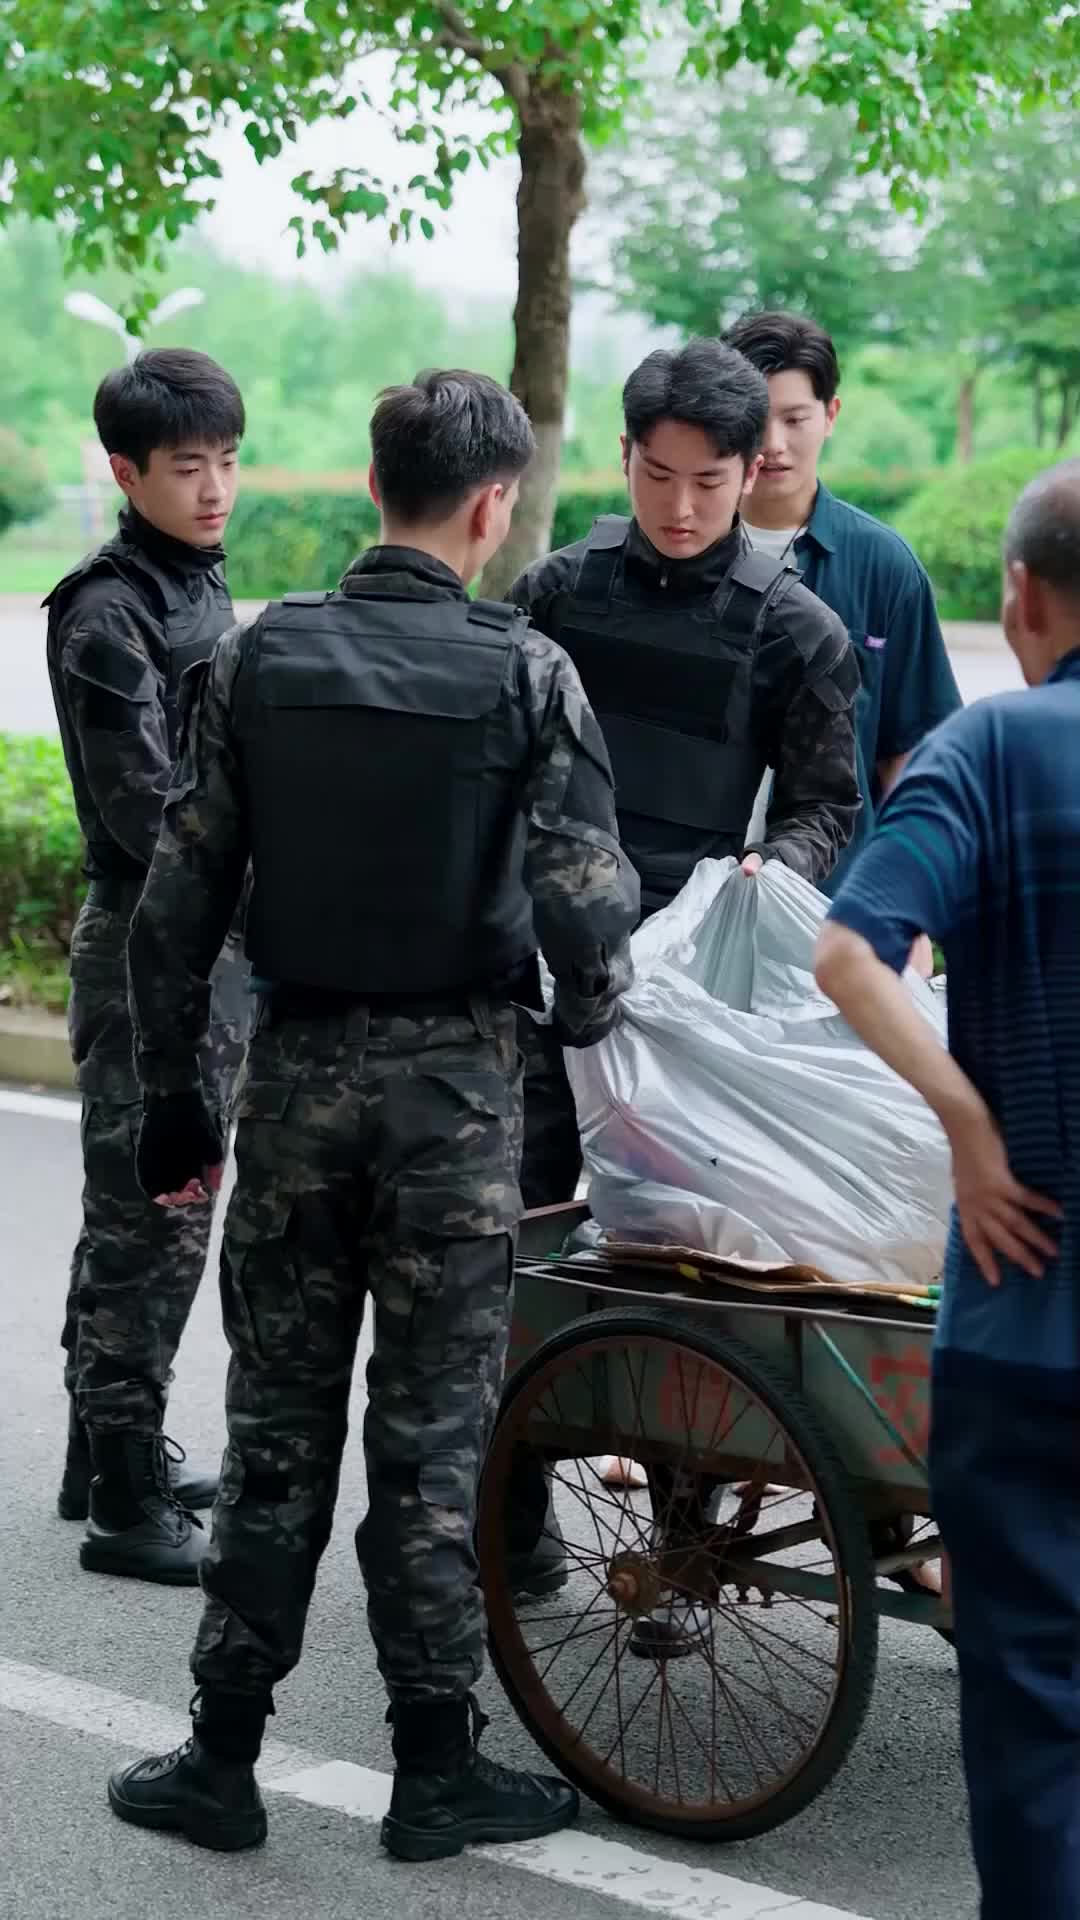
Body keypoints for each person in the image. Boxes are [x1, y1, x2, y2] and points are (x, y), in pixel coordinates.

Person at [106, 369, 639, 1861]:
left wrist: (172, 1098)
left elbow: (175, 906)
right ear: (494, 506)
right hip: (456, 1110)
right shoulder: (528, 673)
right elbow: (588, 909)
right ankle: (432, 1767)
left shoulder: (255, 661)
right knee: (430, 1444)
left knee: (273, 1432)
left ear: (370, 485)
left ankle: (220, 1757)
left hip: (291, 1098)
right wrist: (585, 1027)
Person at [814, 460, 1080, 1920]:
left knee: (1032, 1702)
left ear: (1020, 596)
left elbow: (849, 953)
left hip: (1024, 1325)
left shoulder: (988, 749)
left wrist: (970, 1130)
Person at [507, 337, 862, 1217]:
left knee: (674, 1225)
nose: (679, 506)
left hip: (686, 967)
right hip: (536, 951)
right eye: (658, 475)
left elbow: (825, 805)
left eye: (708, 482)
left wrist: (775, 865)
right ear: (624, 455)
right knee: (512, 1214)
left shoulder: (799, 633)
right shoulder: (551, 596)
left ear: (751, 471)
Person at [44, 348, 252, 1585]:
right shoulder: (107, 611)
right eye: (187, 467)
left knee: (138, 1211)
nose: (215, 487)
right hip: (146, 952)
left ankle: (102, 1455)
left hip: (196, 947)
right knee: (153, 1218)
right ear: (126, 474)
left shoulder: (194, 582)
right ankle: (125, 1500)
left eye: (226, 461)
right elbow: (144, 817)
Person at [724, 310, 962, 920]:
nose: (773, 443)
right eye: (757, 417)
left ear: (830, 415)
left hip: (835, 908)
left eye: (795, 418)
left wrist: (909, 902)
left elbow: (911, 758)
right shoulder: (682, 549)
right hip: (687, 901)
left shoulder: (885, 566)